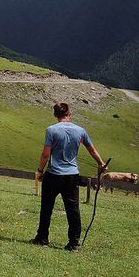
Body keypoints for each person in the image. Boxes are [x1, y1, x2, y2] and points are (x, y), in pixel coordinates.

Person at [30, 102, 106, 251]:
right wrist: (101, 163)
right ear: (69, 113)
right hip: (72, 175)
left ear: (55, 114)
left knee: (46, 207)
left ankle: (42, 238)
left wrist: (40, 170)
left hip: (53, 174)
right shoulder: (80, 131)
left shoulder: (51, 130)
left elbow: (46, 154)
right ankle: (73, 243)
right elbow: (92, 150)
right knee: (73, 209)